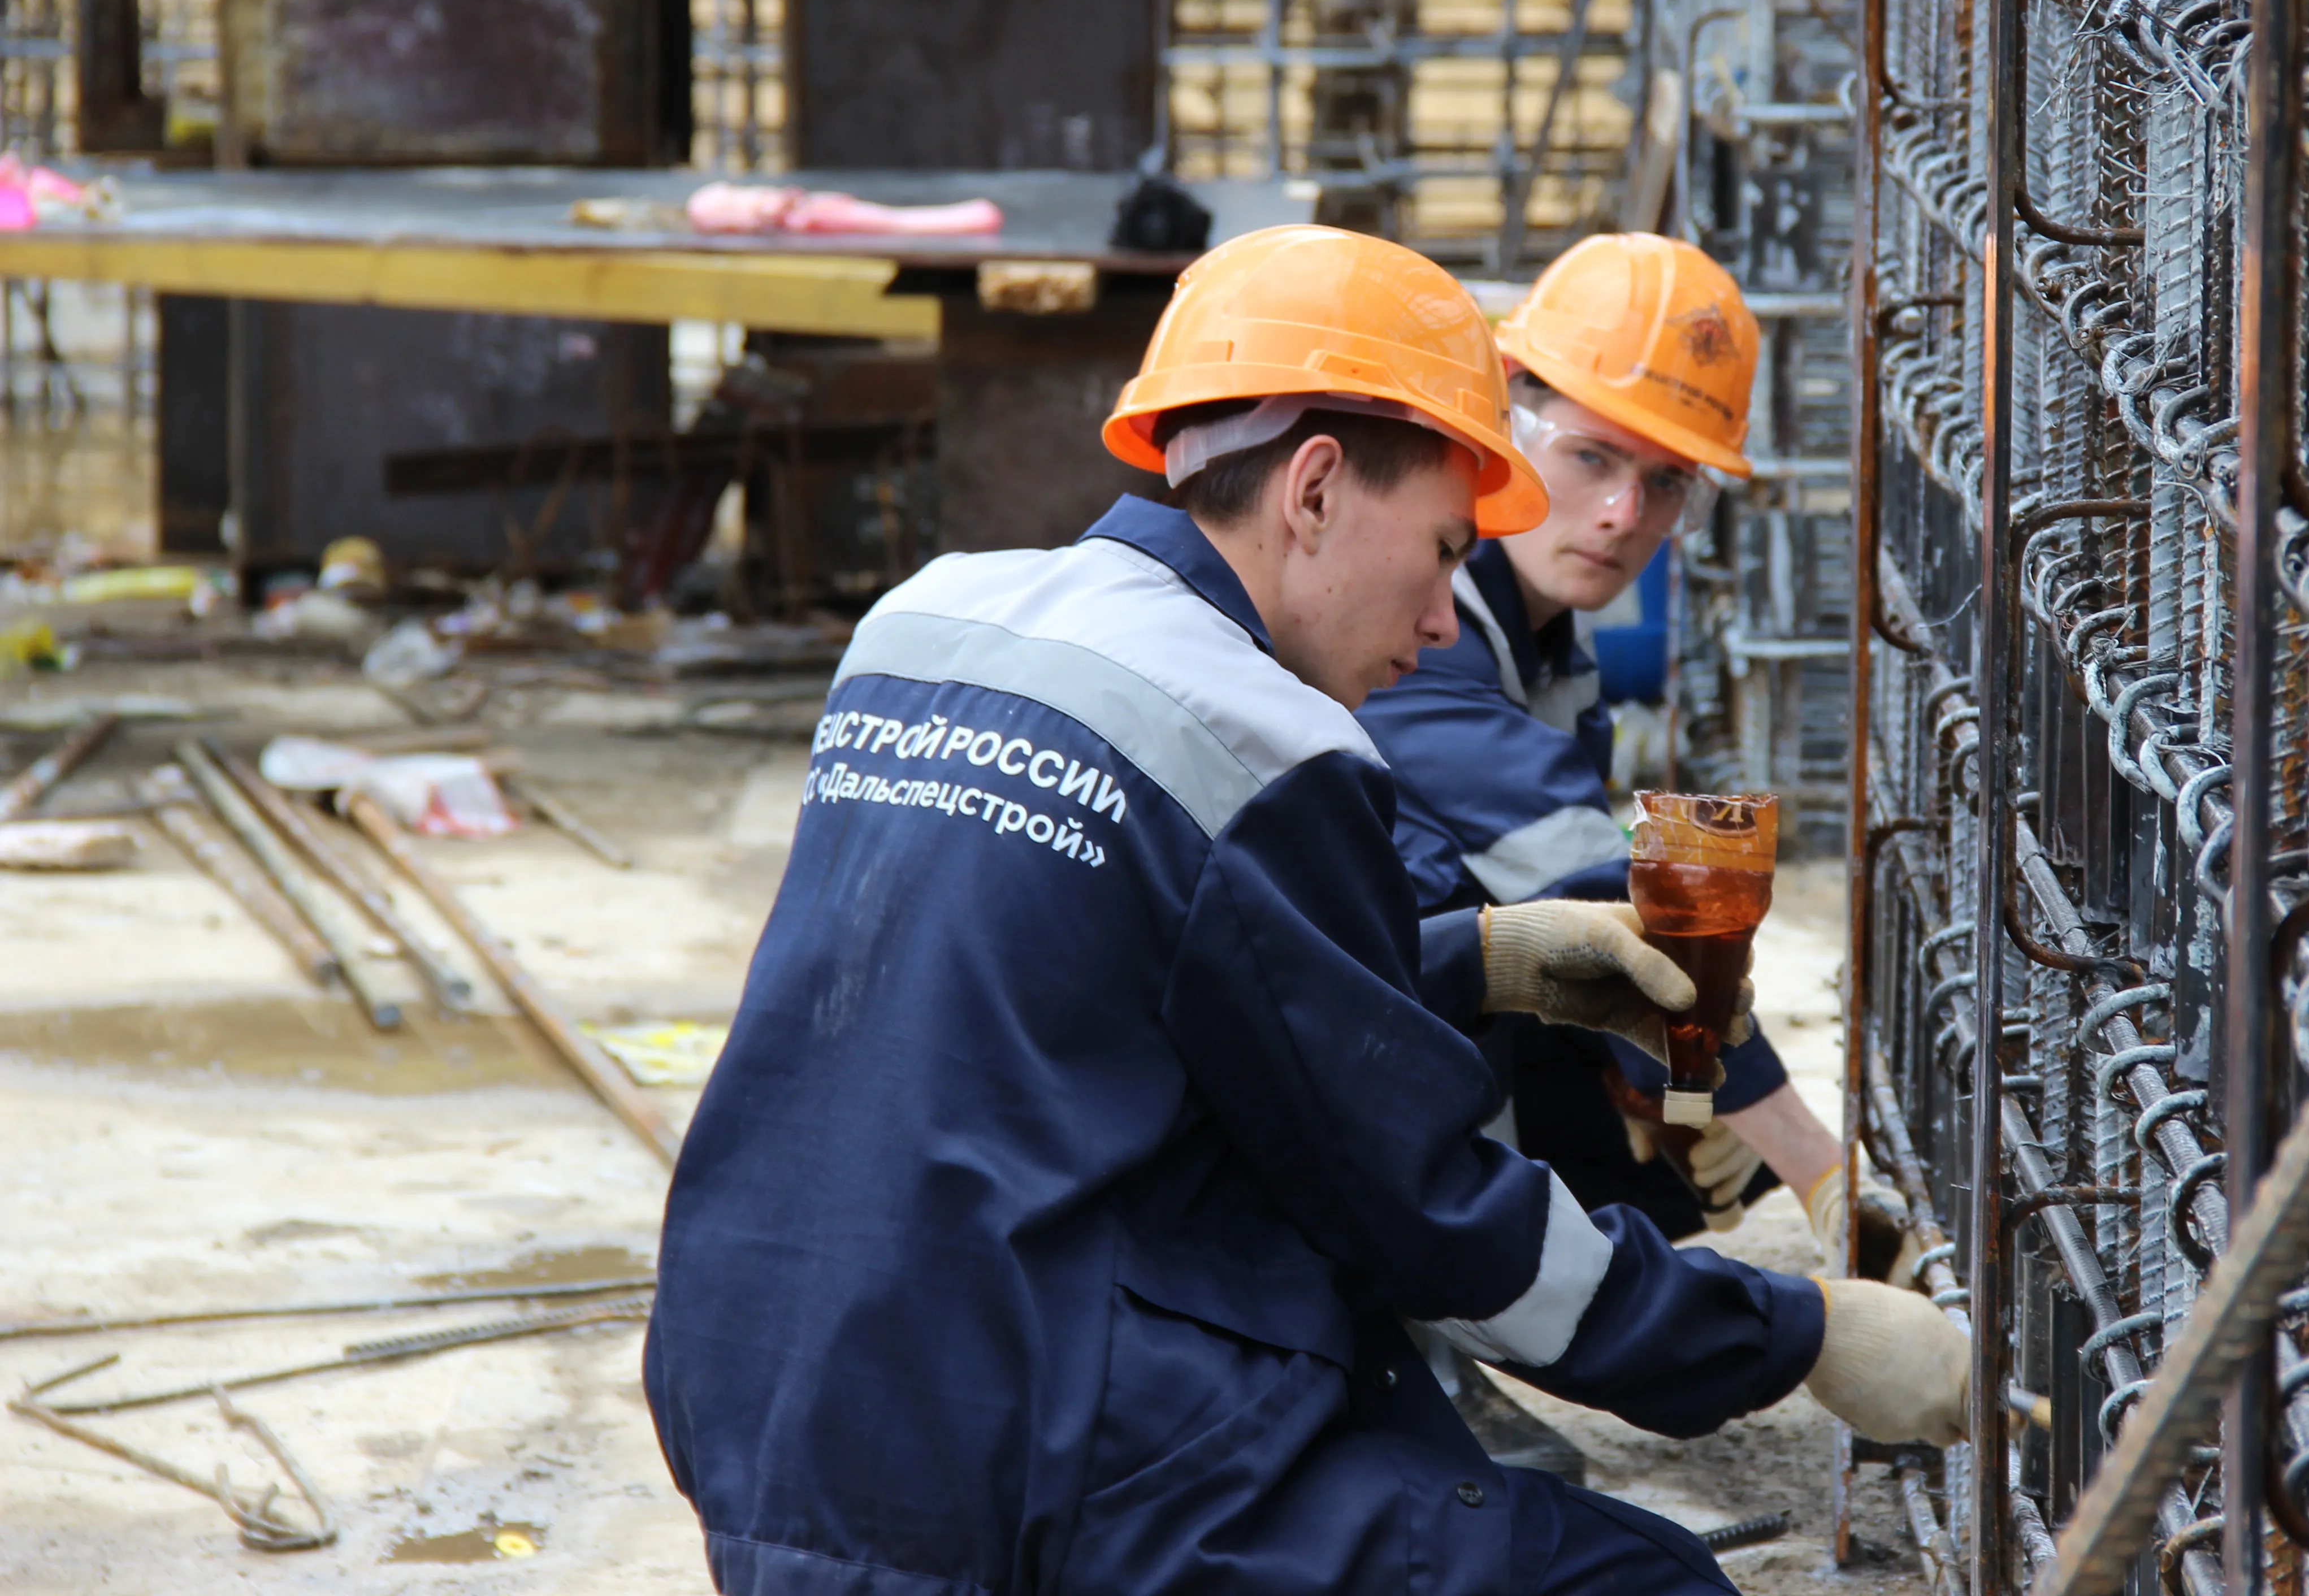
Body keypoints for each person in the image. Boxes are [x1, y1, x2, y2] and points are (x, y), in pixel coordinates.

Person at [644, 225, 1972, 1596]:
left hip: (761, 1405)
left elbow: (1141, 978)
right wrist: (1797, 1335)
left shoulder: (928, 622)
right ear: (1318, 488)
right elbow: (1426, 1212)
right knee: (1637, 1581)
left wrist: (1480, 963)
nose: (1445, 620)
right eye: (1444, 549)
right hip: (1004, 1469)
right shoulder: (1261, 738)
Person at [1358, 233, 1912, 1284]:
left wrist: (1674, 1094)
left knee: (1659, 1135)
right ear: (1505, 421)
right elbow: (1596, 893)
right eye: (1591, 458)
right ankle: (1441, 1305)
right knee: (1473, 903)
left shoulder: (1543, 645)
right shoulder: (1419, 635)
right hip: (1283, 1073)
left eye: (1667, 483)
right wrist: (1820, 1173)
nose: (1624, 516)